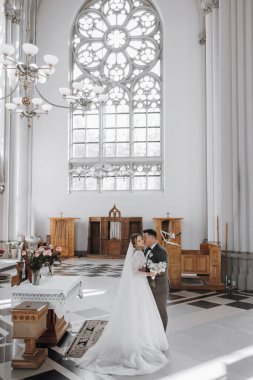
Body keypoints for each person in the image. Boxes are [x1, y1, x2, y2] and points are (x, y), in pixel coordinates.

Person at [76, 233, 169, 375]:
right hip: (140, 284)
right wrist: (150, 274)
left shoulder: (140, 252)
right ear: (135, 244)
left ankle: (143, 337)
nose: (142, 241)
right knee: (141, 312)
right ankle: (141, 339)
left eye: (142, 239)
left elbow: (139, 269)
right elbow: (135, 272)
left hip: (141, 285)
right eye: (139, 240)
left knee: (141, 312)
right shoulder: (138, 253)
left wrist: (149, 271)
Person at [143, 229, 169, 331]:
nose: (143, 239)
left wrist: (148, 270)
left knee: (161, 312)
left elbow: (162, 270)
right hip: (148, 286)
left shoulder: (162, 251)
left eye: (145, 237)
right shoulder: (146, 250)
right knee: (150, 312)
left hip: (159, 287)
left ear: (153, 238)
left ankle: (162, 338)